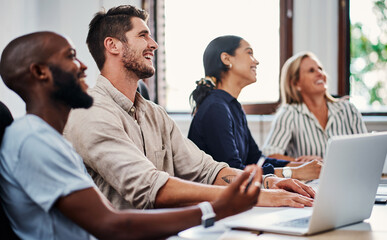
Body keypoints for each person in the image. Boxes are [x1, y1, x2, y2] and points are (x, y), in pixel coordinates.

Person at [0, 31, 265, 240]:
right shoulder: (33, 139)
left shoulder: (49, 138)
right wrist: (217, 209)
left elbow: (202, 169)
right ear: (40, 72)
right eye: (70, 56)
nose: (82, 66)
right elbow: (111, 224)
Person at [64, 5, 315, 210]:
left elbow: (207, 170)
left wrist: (268, 184)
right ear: (113, 45)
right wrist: (254, 196)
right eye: (143, 35)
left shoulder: (155, 114)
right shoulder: (91, 112)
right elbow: (148, 186)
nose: (154, 44)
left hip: (174, 230)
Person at [188, 35, 321, 181]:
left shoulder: (233, 107)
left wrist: (298, 165)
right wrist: (293, 172)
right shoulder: (215, 108)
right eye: (249, 53)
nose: (256, 61)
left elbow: (256, 159)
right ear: (227, 59)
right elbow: (233, 172)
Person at [262, 51, 367, 162]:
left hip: (350, 177)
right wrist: (301, 163)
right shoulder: (289, 114)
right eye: (311, 71)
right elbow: (269, 155)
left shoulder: (348, 110)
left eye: (320, 69)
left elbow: (367, 149)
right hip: (313, 179)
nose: (320, 73)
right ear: (296, 83)